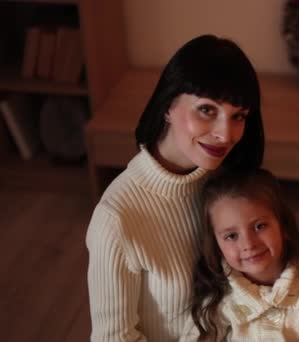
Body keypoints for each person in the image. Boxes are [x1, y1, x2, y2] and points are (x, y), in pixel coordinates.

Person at [86, 34, 264, 341]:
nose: (226, 134)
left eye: (238, 116)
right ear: (167, 106)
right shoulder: (115, 220)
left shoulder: (227, 182)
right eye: (207, 110)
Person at [181, 168, 299, 341]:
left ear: (283, 225)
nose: (249, 244)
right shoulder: (216, 300)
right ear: (217, 244)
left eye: (259, 226)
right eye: (231, 236)